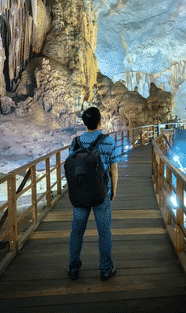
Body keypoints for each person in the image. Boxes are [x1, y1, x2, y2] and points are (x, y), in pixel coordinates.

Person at [68, 107, 120, 281]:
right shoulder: (109, 142)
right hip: (101, 193)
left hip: (80, 193)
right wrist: (113, 189)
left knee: (76, 232)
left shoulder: (75, 143)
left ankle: (73, 267)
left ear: (84, 123)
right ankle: (106, 268)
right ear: (100, 121)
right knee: (104, 232)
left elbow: (73, 168)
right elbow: (114, 169)